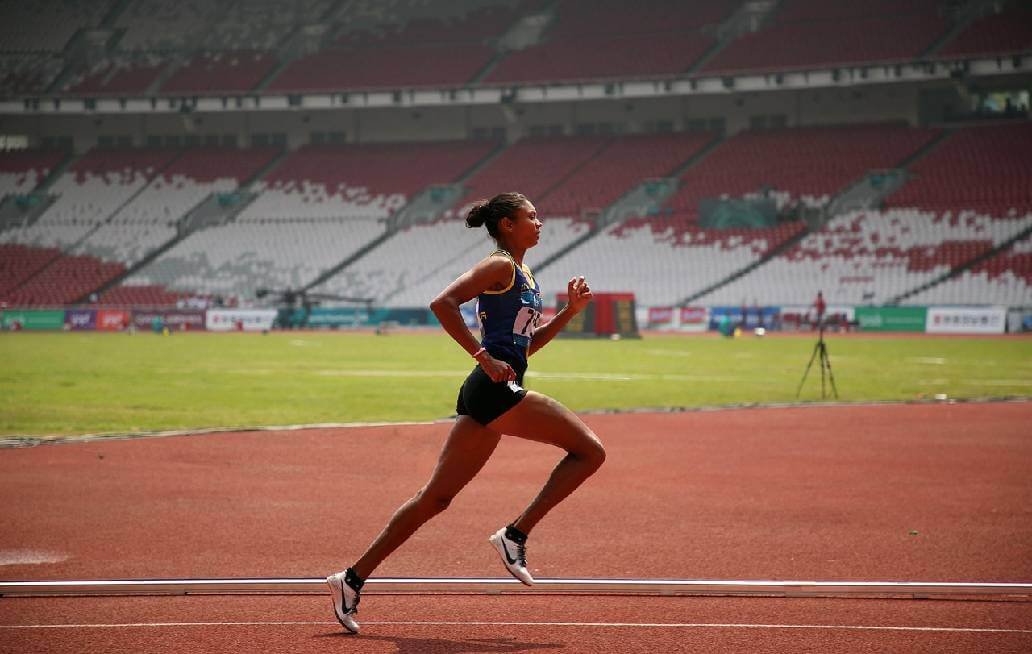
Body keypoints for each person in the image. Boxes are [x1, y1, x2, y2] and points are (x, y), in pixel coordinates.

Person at [325, 192, 606, 634]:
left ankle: (350, 579)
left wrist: (570, 312)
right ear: (508, 225)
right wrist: (482, 357)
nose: (540, 221)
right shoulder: (499, 266)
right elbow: (442, 303)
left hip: (489, 389)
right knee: (590, 452)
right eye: (530, 216)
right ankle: (515, 534)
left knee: (435, 498)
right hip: (493, 387)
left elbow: (526, 347)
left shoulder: (525, 273)